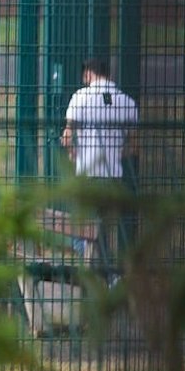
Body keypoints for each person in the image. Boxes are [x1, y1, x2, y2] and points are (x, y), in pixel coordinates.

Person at [60, 57, 138, 263]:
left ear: (88, 74)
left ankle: (88, 272)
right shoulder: (127, 102)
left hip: (87, 175)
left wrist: (72, 152)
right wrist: (116, 153)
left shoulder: (80, 97)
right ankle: (105, 274)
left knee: (81, 228)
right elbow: (134, 146)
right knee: (102, 230)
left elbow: (67, 136)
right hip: (113, 177)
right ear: (109, 75)